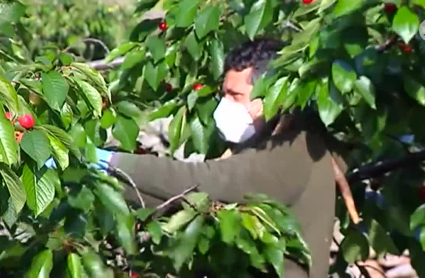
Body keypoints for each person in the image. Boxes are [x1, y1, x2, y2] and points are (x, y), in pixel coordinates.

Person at [92, 38, 336, 277]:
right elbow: (178, 200)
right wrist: (103, 181)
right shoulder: (260, 143)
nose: (225, 104)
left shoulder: (296, 148)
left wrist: (111, 162)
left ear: (271, 94)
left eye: (236, 95)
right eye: (224, 94)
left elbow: (206, 181)